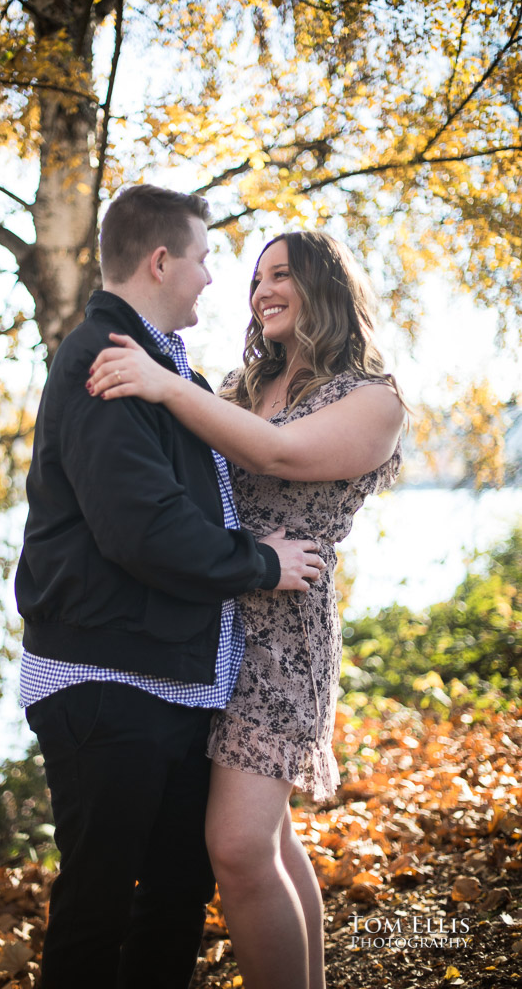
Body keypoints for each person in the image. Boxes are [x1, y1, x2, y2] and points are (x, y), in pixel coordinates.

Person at [14, 186, 326, 989]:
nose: (212, 279)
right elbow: (141, 528)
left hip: (171, 687)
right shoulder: (102, 361)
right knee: (97, 909)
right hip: (105, 683)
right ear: (161, 261)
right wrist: (264, 562)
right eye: (204, 258)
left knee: (176, 897)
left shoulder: (159, 365)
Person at [87, 229, 406, 989]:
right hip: (208, 628)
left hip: (282, 640)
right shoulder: (236, 386)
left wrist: (166, 385)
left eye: (282, 275)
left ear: (326, 287)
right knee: (270, 840)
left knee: (234, 846)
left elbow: (276, 455)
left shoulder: (371, 399)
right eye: (255, 277)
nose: (261, 290)